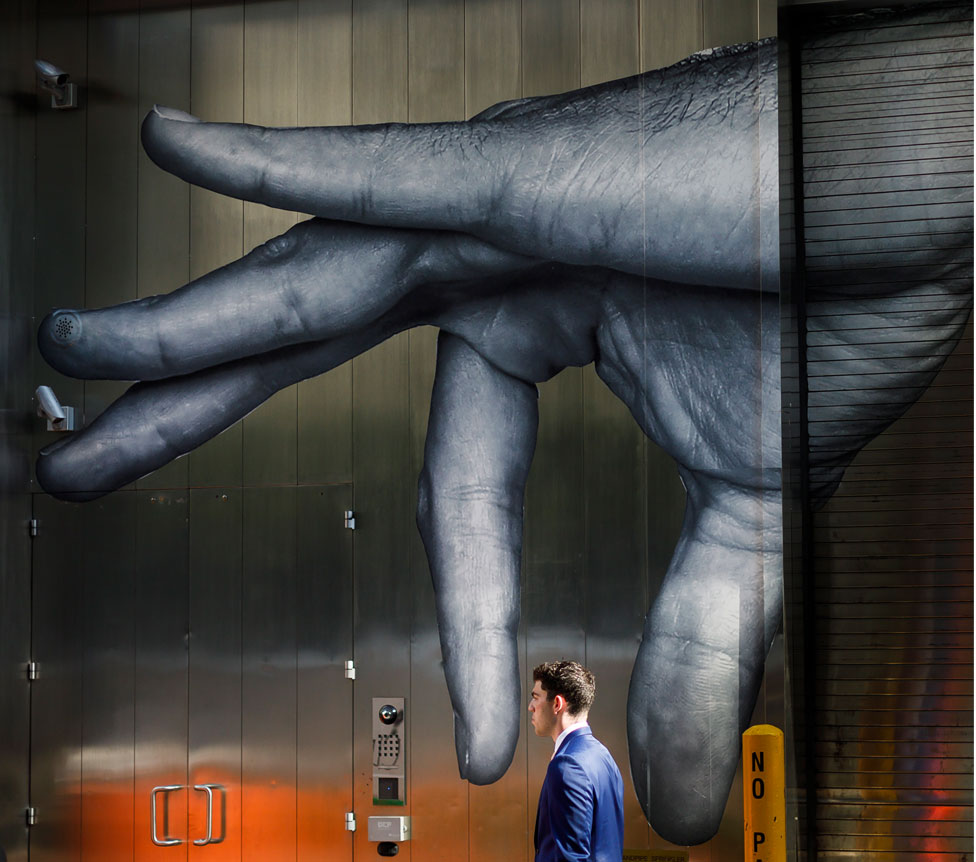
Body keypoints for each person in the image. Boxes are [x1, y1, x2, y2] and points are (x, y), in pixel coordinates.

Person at [530, 661, 624, 862]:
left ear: (557, 704)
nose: (531, 707)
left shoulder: (567, 765)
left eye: (536, 698)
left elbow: (571, 857)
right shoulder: (603, 757)